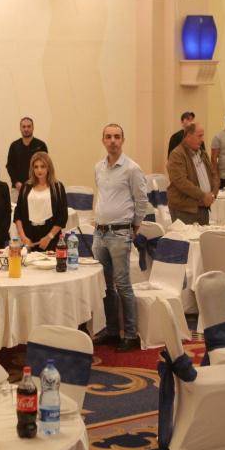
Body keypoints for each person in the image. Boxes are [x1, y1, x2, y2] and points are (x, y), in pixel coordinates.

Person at [92, 124, 148, 352]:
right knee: (105, 286)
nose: (113, 140)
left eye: (117, 137)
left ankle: (131, 334)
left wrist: (135, 225)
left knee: (122, 284)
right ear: (103, 140)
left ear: (123, 140)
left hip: (120, 232)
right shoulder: (98, 167)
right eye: (108, 137)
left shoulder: (132, 168)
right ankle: (113, 330)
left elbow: (141, 199)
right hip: (100, 233)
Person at [13, 152, 68, 252]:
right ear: (32, 169)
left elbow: (62, 216)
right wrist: (23, 237)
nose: (39, 170)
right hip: (29, 239)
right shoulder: (26, 187)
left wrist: (49, 237)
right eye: (36, 167)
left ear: (49, 167)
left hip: (51, 238)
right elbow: (18, 213)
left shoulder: (58, 187)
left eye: (43, 166)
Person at [166, 123, 219, 225]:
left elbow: (214, 175)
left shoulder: (202, 153)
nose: (202, 139)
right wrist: (203, 196)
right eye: (199, 136)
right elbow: (181, 181)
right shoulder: (177, 155)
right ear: (188, 136)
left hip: (203, 207)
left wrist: (213, 194)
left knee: (204, 235)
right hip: (184, 209)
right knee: (187, 236)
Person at [6, 117, 47, 191]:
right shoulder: (14, 146)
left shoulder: (41, 145)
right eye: (24, 127)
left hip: (38, 186)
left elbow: (46, 165)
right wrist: (16, 182)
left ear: (33, 128)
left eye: (29, 126)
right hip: (18, 188)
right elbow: (10, 166)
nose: (26, 129)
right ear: (20, 128)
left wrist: (40, 182)